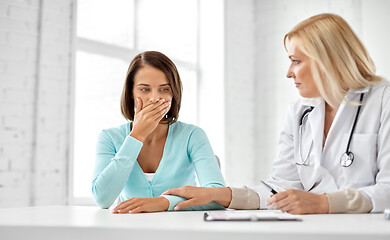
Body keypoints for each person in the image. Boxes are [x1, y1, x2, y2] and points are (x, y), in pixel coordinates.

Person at [163, 13, 390, 214]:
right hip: (315, 229)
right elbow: (281, 187)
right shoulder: (300, 112)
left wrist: (325, 203)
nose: (288, 73)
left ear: (327, 61)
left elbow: (387, 190)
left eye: (295, 61)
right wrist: (222, 195)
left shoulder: (383, 100)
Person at [92, 51, 225, 213]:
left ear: (173, 93)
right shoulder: (109, 137)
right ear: (131, 93)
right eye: (145, 89)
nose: (155, 98)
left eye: (164, 89)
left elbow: (218, 197)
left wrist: (162, 203)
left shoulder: (192, 135)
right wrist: (137, 136)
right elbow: (102, 199)